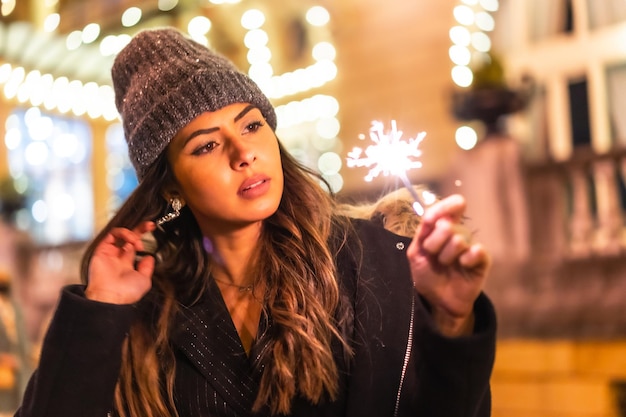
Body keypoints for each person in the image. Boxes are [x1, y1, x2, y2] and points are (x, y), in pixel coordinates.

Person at [15, 28, 496, 417]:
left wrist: (453, 320)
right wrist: (101, 308)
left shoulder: (373, 264)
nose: (243, 153)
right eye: (206, 145)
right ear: (172, 187)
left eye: (251, 125)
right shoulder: (144, 313)